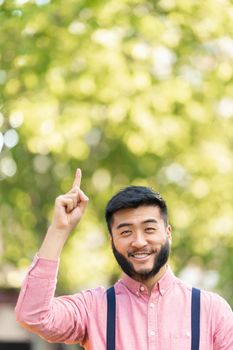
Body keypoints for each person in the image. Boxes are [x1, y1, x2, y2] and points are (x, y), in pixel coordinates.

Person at [15, 169, 233, 350]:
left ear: (168, 233)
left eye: (149, 229)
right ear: (112, 241)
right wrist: (59, 230)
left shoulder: (211, 310)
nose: (138, 242)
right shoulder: (93, 308)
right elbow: (33, 315)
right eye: (126, 232)